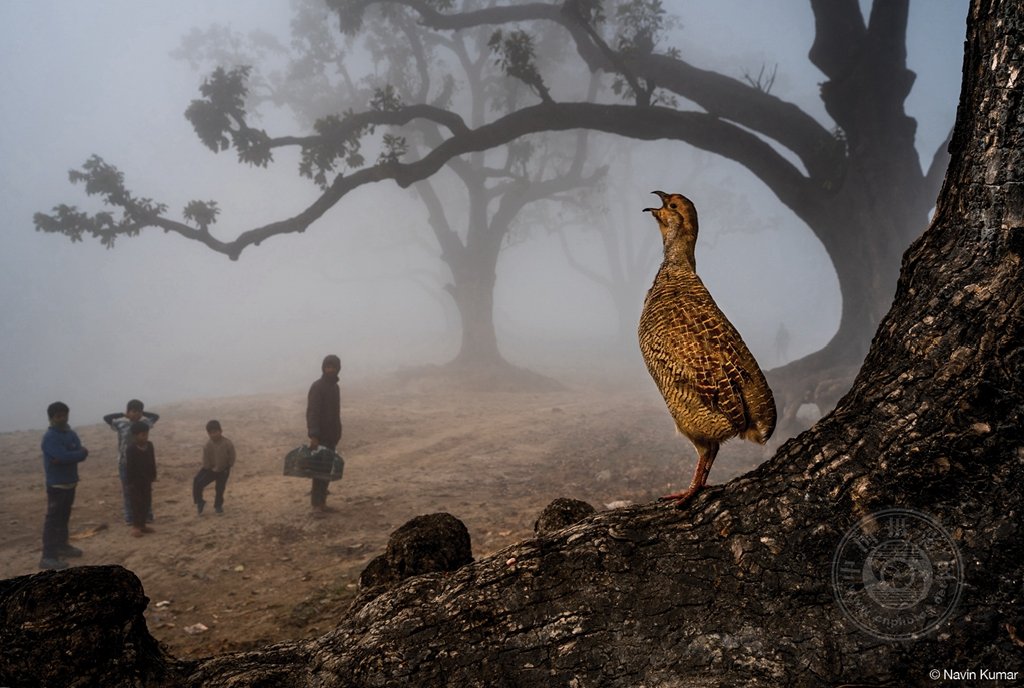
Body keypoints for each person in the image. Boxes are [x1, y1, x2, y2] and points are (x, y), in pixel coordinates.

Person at [40, 401, 89, 570]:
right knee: (53, 520)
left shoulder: (70, 434)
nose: (62, 418)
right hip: (57, 485)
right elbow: (65, 455)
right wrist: (73, 454)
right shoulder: (50, 437)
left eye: (64, 415)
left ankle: (62, 546)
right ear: (51, 418)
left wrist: (68, 456)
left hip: (71, 482)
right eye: (58, 416)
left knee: (64, 518)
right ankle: (48, 556)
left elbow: (80, 454)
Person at [103, 399, 159, 525]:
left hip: (142, 463)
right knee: (128, 491)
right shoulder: (121, 424)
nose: (136, 414)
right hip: (125, 463)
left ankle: (147, 515)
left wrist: (142, 413)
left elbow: (156, 416)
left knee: (145, 491)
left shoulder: (144, 424)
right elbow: (106, 418)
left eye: (139, 411)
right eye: (133, 411)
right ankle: (130, 517)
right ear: (128, 411)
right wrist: (123, 415)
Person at [306, 354, 342, 512]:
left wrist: (338, 432)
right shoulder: (317, 387)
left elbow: (335, 413)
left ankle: (323, 503)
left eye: (333, 367)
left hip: (332, 436)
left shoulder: (335, 387)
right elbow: (312, 412)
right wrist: (314, 435)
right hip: (320, 437)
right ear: (323, 368)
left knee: (327, 471)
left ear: (338, 368)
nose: (330, 370)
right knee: (319, 471)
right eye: (327, 367)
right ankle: (316, 505)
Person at [193, 419, 236, 515]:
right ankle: (200, 501)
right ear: (208, 433)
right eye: (211, 433)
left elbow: (232, 456)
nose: (213, 434)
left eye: (215, 432)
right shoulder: (207, 445)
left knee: (220, 488)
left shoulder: (227, 443)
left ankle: (218, 506)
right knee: (197, 481)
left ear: (221, 431)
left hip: (223, 470)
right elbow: (206, 460)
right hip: (211, 470)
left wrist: (228, 466)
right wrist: (209, 469)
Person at [124, 421, 157, 537]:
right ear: (135, 435)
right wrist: (129, 482)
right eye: (142, 435)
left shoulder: (150, 445)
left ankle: (143, 525)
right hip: (135, 481)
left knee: (146, 501)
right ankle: (136, 526)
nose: (145, 437)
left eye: (147, 434)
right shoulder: (131, 449)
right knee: (136, 503)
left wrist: (153, 475)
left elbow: (152, 461)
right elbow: (129, 466)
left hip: (146, 479)